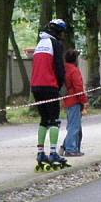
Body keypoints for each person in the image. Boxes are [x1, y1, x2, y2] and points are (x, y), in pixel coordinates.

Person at [30, 19, 68, 170]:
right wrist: (58, 85)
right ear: (58, 31)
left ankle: (40, 153)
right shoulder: (55, 44)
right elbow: (59, 68)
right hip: (49, 85)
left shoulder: (40, 43)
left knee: (44, 120)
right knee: (54, 120)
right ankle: (53, 153)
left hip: (36, 86)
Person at [61, 48, 88, 157]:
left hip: (67, 100)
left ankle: (68, 147)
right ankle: (70, 149)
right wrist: (84, 101)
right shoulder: (74, 70)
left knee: (74, 125)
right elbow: (78, 87)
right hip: (74, 101)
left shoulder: (64, 69)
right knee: (74, 126)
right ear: (75, 59)